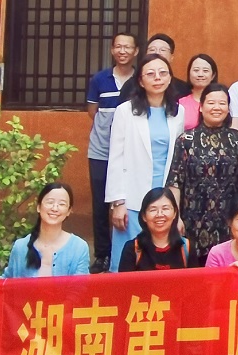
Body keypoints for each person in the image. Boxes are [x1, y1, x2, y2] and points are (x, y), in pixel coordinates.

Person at [105, 54, 185, 273]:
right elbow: (116, 156)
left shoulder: (178, 111)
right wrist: (117, 202)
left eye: (163, 73)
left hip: (164, 196)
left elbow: (177, 160)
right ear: (140, 80)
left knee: (160, 261)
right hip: (133, 196)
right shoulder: (125, 111)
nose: (157, 78)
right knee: (128, 261)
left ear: (170, 78)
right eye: (150, 74)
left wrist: (178, 208)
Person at [166, 83, 238, 265]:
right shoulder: (186, 140)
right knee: (195, 272)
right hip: (193, 220)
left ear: (228, 108)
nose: (217, 107)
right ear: (201, 107)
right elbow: (175, 182)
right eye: (211, 102)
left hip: (228, 221)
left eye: (222, 103)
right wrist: (176, 218)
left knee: (226, 270)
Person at [0, 183, 89, 294]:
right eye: (50, 202)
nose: (55, 208)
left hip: (63, 307)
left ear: (69, 211)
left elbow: (80, 291)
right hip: (25, 307)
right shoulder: (21, 246)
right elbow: (7, 282)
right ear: (39, 207)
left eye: (62, 204)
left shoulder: (79, 247)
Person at [86, 32, 137, 271]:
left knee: (130, 202)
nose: (122, 51)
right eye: (118, 46)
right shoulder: (99, 79)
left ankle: (132, 252)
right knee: (100, 205)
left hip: (132, 153)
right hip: (100, 151)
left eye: (127, 47)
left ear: (136, 51)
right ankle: (102, 255)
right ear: (112, 50)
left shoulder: (141, 78)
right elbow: (92, 112)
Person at [117, 188, 195, 271]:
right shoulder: (132, 248)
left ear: (175, 213)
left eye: (165, 209)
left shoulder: (186, 247)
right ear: (144, 216)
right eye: (153, 210)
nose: (159, 215)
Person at [118, 33, 193, 101]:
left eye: (162, 50)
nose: (157, 53)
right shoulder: (131, 85)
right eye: (152, 49)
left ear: (171, 57)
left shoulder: (183, 89)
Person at [177, 54, 219, 131]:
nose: (200, 74)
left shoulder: (221, 103)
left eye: (205, 71)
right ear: (189, 73)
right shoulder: (180, 104)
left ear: (213, 75)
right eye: (196, 70)